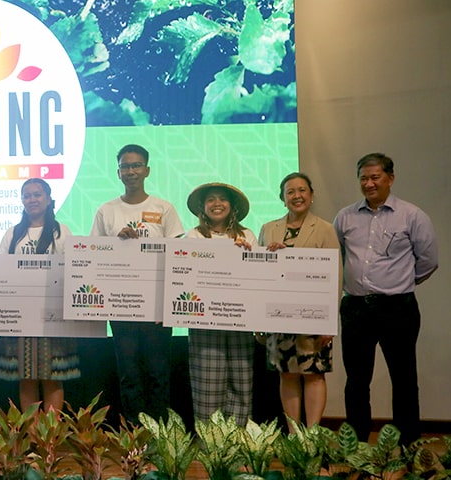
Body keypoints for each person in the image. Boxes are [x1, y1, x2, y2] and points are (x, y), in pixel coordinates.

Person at [333, 153, 438, 443]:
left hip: (397, 308)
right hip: (354, 308)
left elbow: (428, 261)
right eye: (363, 178)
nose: (369, 183)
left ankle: (408, 446)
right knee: (356, 382)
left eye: (375, 177)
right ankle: (356, 446)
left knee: (404, 380)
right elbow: (337, 258)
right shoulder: (345, 216)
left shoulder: (412, 215)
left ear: (390, 179)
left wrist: (398, 282)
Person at [89, 144, 185, 423]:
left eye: (136, 165)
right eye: (125, 166)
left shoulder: (163, 208)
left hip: (157, 307)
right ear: (118, 172)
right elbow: (93, 255)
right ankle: (134, 436)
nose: (131, 171)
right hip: (121, 307)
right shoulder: (107, 211)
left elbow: (178, 257)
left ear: (147, 170)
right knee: (129, 374)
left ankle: (161, 435)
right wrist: (115, 244)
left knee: (158, 374)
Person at [258, 172, 339, 430]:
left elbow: (335, 275)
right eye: (290, 192)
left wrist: (329, 322)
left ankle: (312, 434)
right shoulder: (268, 228)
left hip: (313, 317)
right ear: (282, 198)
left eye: (302, 190)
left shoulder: (325, 229)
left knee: (314, 375)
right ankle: (294, 435)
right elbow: (258, 274)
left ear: (312, 195)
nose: (297, 196)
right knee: (288, 373)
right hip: (278, 315)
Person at [0, 178, 80, 412]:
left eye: (37, 194)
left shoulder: (62, 232)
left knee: (53, 376)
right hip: (19, 316)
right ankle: (33, 441)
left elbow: (73, 268)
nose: (32, 199)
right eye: (27, 195)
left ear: (49, 199)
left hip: (52, 315)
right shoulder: (12, 233)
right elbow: (0, 269)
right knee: (26, 377)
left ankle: (50, 441)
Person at [184, 182, 256, 426]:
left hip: (240, 318)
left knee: (241, 379)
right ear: (203, 207)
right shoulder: (192, 236)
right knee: (207, 382)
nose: (217, 204)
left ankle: (240, 437)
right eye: (211, 200)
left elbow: (257, 276)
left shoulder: (248, 236)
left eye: (222, 199)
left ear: (232, 206)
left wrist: (248, 255)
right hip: (204, 320)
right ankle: (210, 441)